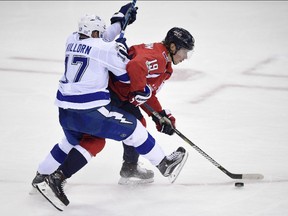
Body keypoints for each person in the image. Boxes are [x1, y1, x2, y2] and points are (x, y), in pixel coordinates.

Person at [33, 5, 188, 209]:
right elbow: (126, 75)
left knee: (81, 142)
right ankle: (165, 165)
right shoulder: (107, 49)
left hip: (65, 110)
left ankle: (41, 176)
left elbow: (101, 37)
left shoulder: (71, 39)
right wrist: (121, 54)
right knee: (136, 130)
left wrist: (120, 20)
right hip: (91, 110)